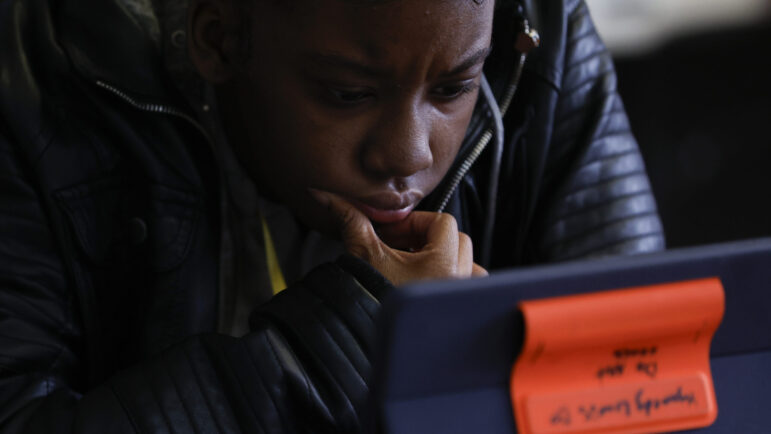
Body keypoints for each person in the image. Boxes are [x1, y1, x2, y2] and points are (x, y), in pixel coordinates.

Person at [0, 0, 664, 432]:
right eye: (348, 93)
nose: (405, 154)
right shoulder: (32, 77)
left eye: (455, 87)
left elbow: (648, 380)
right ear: (219, 39)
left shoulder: (537, 30)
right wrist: (356, 334)